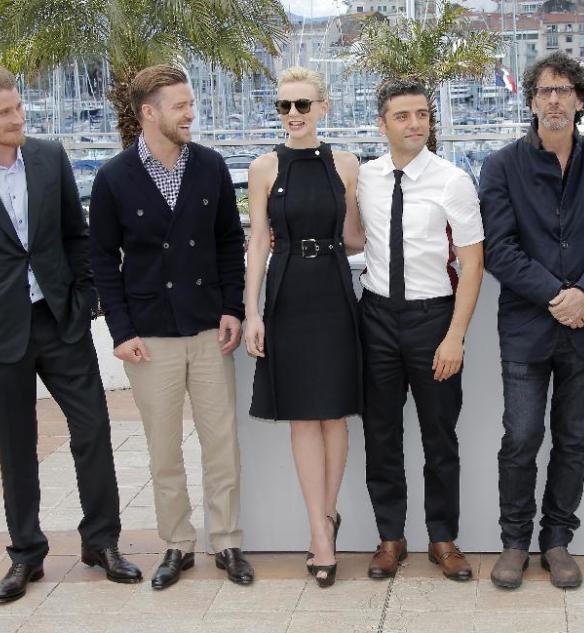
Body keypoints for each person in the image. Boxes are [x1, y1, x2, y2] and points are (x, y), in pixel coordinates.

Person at [0, 65, 141, 603]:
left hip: (60, 320)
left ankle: (102, 542)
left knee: (92, 430)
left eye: (19, 107)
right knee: (16, 446)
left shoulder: (49, 157)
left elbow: (77, 233)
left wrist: (85, 298)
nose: (19, 118)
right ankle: (26, 555)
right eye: (4, 112)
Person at [89, 65, 253, 589]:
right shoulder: (113, 177)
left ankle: (227, 542)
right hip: (149, 335)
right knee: (163, 448)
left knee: (221, 442)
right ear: (149, 113)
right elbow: (101, 260)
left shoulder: (210, 167)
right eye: (179, 105)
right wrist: (121, 331)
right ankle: (177, 545)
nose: (190, 113)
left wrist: (233, 308)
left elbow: (231, 242)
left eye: (190, 103)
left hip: (209, 329)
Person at [478, 51, 584, 590]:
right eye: (545, 90)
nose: (554, 99)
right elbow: (499, 248)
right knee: (520, 437)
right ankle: (515, 542)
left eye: (565, 90)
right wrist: (556, 296)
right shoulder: (501, 166)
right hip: (526, 328)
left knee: (573, 438)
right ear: (531, 99)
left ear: (581, 101)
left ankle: (557, 540)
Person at [358, 78, 485, 582]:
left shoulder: (453, 180)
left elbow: (472, 265)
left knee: (440, 436)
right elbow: (353, 234)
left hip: (433, 319)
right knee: (381, 434)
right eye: (403, 116)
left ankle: (442, 538)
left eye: (422, 115)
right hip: (376, 318)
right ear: (382, 124)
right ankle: (390, 538)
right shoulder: (366, 177)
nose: (415, 124)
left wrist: (454, 336)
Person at [244, 66, 364, 589]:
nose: (293, 114)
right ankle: (320, 532)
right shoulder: (263, 167)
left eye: (302, 105)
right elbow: (258, 245)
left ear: (323, 108)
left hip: (335, 293)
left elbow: (356, 236)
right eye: (284, 106)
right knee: (301, 418)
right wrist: (252, 312)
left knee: (334, 415)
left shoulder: (347, 163)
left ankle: (326, 520)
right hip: (288, 295)